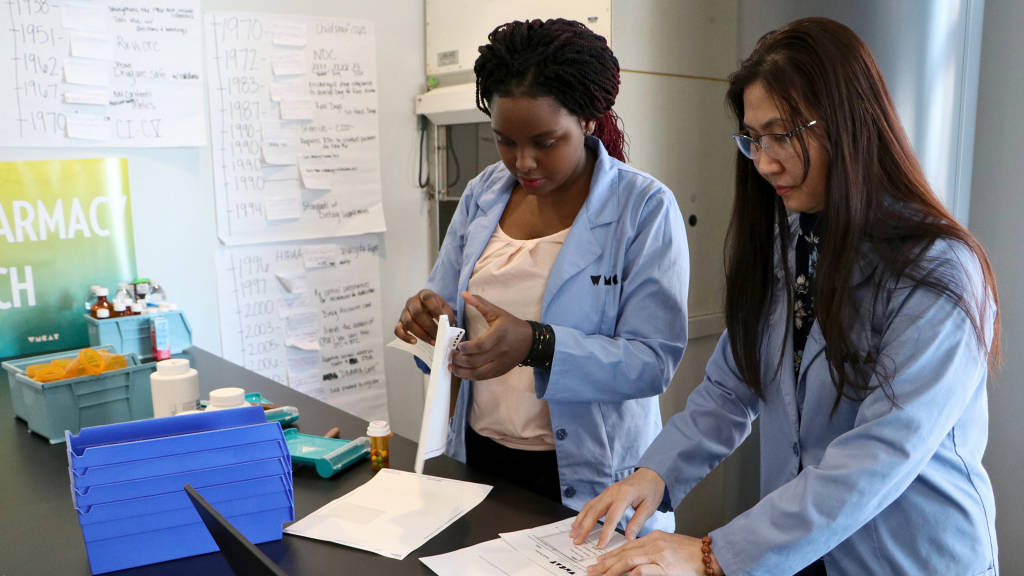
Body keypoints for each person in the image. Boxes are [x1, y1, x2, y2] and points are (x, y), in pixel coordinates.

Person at [572, 17, 1001, 576]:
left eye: (784, 135)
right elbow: (730, 389)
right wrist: (652, 476)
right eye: (754, 139)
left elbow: (881, 452)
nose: (765, 161)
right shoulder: (792, 243)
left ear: (851, 123)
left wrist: (712, 554)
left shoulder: (940, 269)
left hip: (908, 555)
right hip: (804, 552)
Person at [394, 18, 688, 534]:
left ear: (590, 121)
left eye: (545, 141)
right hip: (483, 463)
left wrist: (538, 344)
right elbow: (444, 316)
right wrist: (430, 327)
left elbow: (653, 361)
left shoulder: (643, 208)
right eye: (505, 141)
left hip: (590, 480)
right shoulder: (484, 193)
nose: (522, 161)